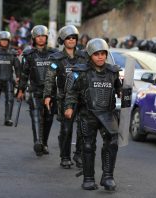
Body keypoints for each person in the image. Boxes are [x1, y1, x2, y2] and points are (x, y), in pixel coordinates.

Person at [64, 38, 122, 191]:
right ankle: (88, 178)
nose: (100, 57)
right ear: (90, 55)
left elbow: (119, 90)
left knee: (112, 144)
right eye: (96, 54)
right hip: (87, 114)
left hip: (108, 115)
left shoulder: (113, 72)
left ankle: (108, 177)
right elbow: (71, 92)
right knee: (88, 146)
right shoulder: (80, 72)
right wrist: (69, 107)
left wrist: (125, 93)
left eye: (103, 53)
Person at [44, 25, 87, 168]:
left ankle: (79, 155)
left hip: (82, 97)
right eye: (68, 38)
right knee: (66, 128)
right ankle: (65, 156)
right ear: (63, 40)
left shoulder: (84, 56)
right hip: (63, 97)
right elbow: (50, 78)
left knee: (83, 128)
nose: (71, 40)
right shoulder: (56, 58)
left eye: (74, 38)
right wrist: (48, 96)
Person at [17, 25, 58, 156]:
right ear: (34, 38)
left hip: (51, 92)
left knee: (48, 118)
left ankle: (44, 143)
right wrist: (21, 90)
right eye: (38, 36)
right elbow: (24, 74)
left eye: (43, 36)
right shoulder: (29, 55)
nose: (41, 39)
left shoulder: (54, 54)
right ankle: (38, 142)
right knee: (36, 116)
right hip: (35, 90)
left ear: (46, 38)